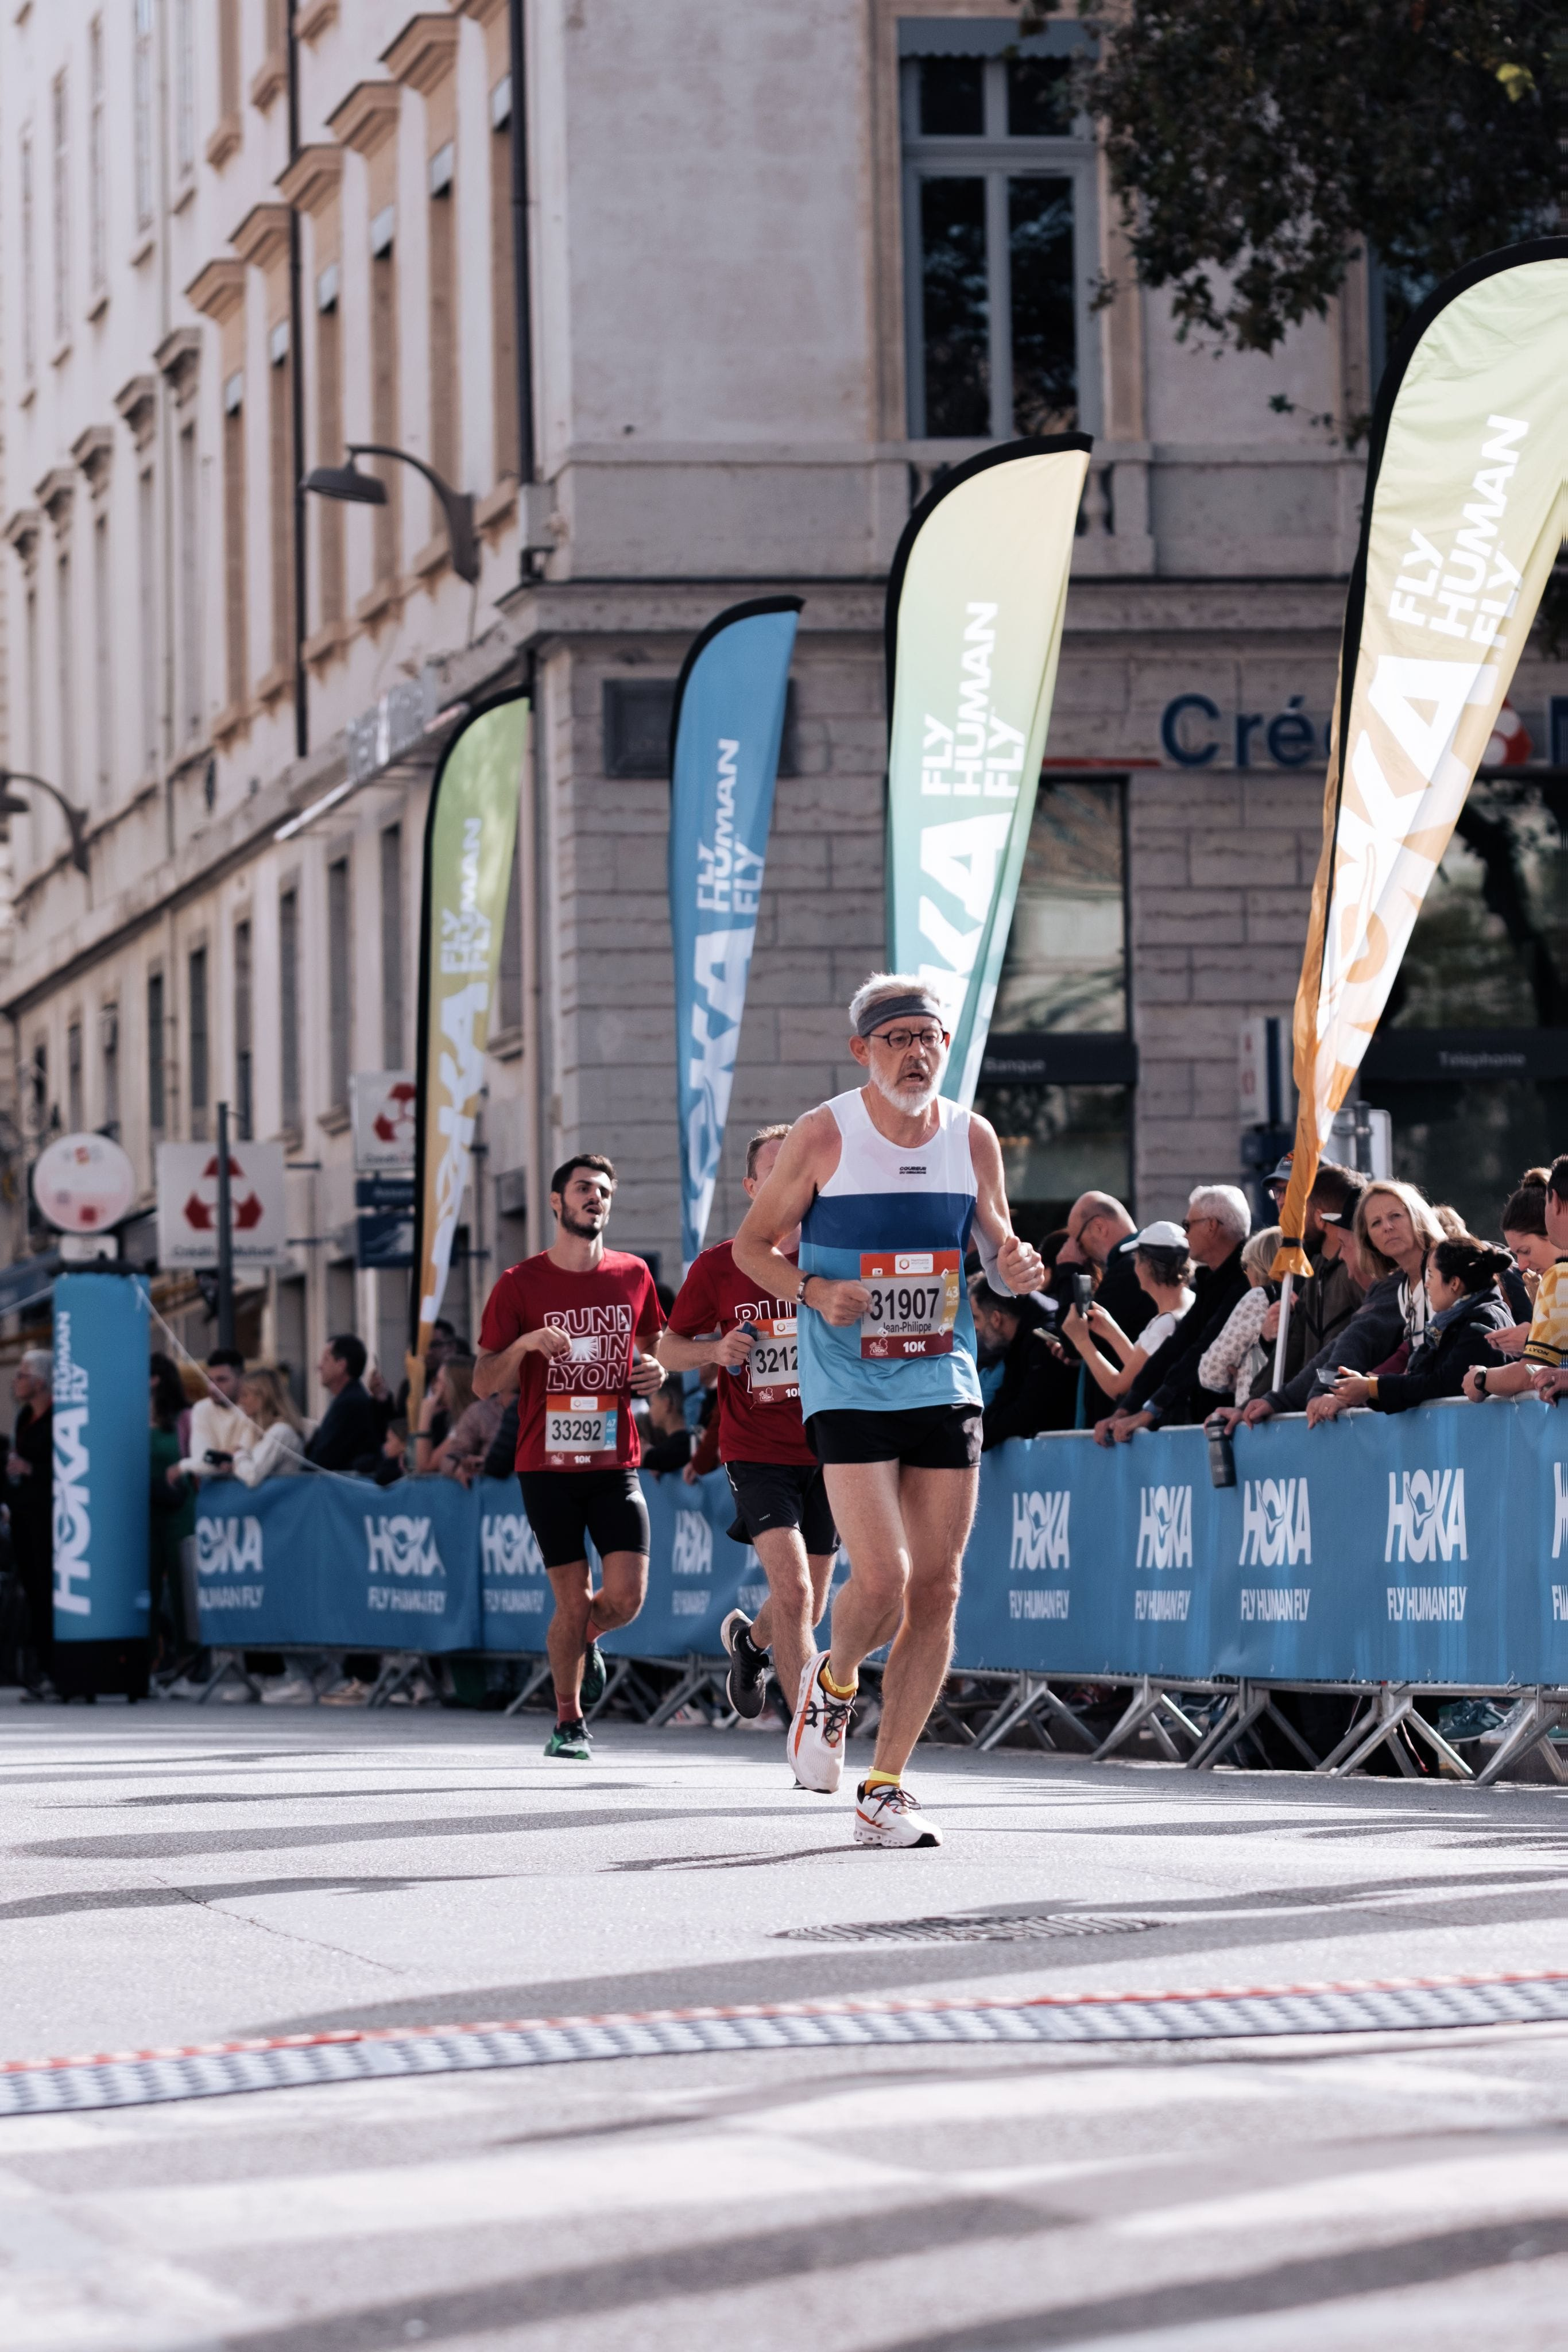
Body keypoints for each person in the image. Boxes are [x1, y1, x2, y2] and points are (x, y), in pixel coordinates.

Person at [733, 973, 1044, 1849]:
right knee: (882, 1581)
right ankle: (831, 1689)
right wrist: (810, 1288)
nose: (915, 1052)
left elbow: (994, 1242)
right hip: (845, 1382)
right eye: (896, 1037)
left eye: (928, 1037)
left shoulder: (971, 1136)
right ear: (861, 1049)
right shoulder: (823, 1135)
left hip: (941, 1375)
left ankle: (885, 1787)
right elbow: (750, 1248)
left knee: (938, 1586)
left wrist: (1014, 1267)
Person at [474, 1152, 664, 1758]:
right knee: (569, 1595)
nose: (595, 1198)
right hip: (546, 1468)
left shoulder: (633, 1275)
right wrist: (526, 1343)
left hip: (615, 1462)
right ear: (557, 1203)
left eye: (604, 1191)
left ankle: (584, 1638)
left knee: (626, 1598)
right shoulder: (519, 1283)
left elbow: (654, 1346)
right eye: (583, 1188)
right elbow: (482, 1382)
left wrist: (656, 1370)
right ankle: (568, 1720)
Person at [658, 1124, 840, 1720]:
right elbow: (667, 1347)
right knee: (792, 1591)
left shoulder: (832, 1256)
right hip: (757, 1447)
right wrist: (714, 1352)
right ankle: (807, 1730)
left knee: (807, 1608)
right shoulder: (720, 1265)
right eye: (775, 1172)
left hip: (833, 1445)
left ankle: (749, 1643)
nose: (790, 1185)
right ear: (751, 1186)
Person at [1093, 1186, 1252, 1444]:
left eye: (1188, 1225)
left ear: (1212, 1226)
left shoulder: (1246, 1279)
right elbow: (1177, 1346)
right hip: (1214, 1427)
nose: (1185, 1234)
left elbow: (1200, 1349)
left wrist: (1150, 1410)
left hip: (1233, 1432)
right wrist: (1128, 1408)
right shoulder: (1212, 1281)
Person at [1303, 1180, 1445, 1427]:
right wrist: (1352, 1390)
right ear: (1368, 1239)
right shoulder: (1404, 1289)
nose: (1387, 1227)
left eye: (1396, 1216)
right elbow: (1411, 1356)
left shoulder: (1447, 1269)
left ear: (1417, 1216)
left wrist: (1370, 1388)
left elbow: (1442, 1364)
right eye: (1376, 1223)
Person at [1335, 1239, 1512, 1414]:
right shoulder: (1449, 1322)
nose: (1426, 1284)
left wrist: (1373, 1388)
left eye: (1431, 1275)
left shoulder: (1482, 1321)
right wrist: (1367, 1387)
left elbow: (1444, 1384)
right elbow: (1421, 1379)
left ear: (1454, 1283)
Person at [1465, 1155, 1568, 1405]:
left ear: (1553, 1201)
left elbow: (1529, 1373)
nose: (1521, 1267)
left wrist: (1481, 1378)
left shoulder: (1559, 1277)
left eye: (1525, 1251)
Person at [1062, 1220, 1193, 1406]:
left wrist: (1082, 1342)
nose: (1135, 1267)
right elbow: (1146, 1369)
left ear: (1147, 1265)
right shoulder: (1189, 1304)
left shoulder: (1165, 1324)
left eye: (1137, 1259)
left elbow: (1118, 1388)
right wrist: (1111, 1332)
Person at [969, 1273, 1064, 1446]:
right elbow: (1007, 1396)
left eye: (976, 1318)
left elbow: (1029, 1411)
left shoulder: (1044, 1338)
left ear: (996, 1318)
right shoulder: (1022, 1339)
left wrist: (971, 1436)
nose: (976, 1327)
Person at [7, 1351, 54, 1689]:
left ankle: (54, 1666)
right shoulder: (24, 1417)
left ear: (40, 1381)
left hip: (49, 1516)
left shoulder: (59, 1418)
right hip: (23, 1513)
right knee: (32, 1590)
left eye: (22, 1375)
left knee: (47, 1587)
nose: (16, 1381)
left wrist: (31, 1470)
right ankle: (39, 1667)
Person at [1197, 1226, 1281, 1406]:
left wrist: (1238, 1374)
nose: (1246, 1273)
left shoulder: (1258, 1299)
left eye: (1246, 1266)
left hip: (1256, 1418)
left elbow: (1209, 1373)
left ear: (1259, 1265)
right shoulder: (1299, 1297)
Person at [1056, 1192, 1153, 1345]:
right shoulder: (1145, 1256)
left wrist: (1070, 1268)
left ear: (1099, 1227)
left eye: (1079, 1244)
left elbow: (1074, 1341)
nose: (1083, 1255)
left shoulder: (1130, 1268)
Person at [149, 1355, 195, 1666]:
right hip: (145, 1509)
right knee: (145, 1583)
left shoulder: (184, 1418)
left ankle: (189, 1658)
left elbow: (195, 1458)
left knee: (183, 1583)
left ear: (155, 1380)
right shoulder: (133, 1415)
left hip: (179, 1507)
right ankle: (151, 1658)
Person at [175, 1347, 259, 1483]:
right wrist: (228, 1458)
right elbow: (202, 1460)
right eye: (210, 1380)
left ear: (241, 1378)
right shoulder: (202, 1408)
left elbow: (248, 1460)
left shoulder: (253, 1408)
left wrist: (184, 1466)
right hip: (214, 1493)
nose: (213, 1387)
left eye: (221, 1380)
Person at [304, 1334, 381, 1472]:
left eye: (326, 1359)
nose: (320, 1366)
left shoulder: (349, 1404)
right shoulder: (349, 1399)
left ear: (341, 1366)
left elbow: (323, 1458)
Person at [422, 1355, 503, 1485]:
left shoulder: (475, 1417)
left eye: (440, 1382)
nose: (436, 1388)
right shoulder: (454, 1420)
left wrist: (425, 1415)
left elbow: (425, 1466)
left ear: (456, 1387)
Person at [231, 1368, 311, 1484]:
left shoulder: (281, 1432)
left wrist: (238, 1454)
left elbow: (252, 1475)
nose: (241, 1401)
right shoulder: (262, 1430)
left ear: (263, 1397)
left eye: (245, 1395)